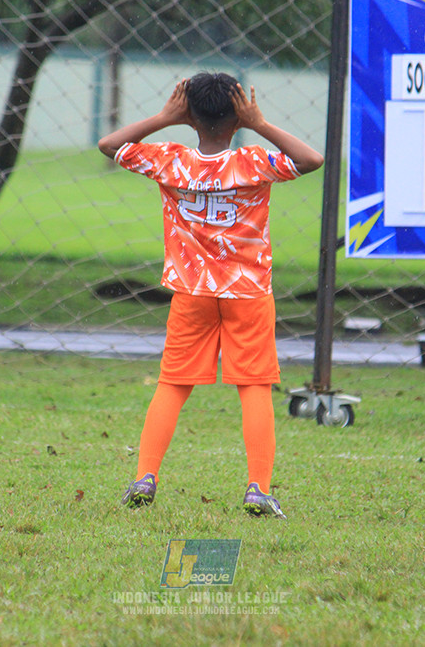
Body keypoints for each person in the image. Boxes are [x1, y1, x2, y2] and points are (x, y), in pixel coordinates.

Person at [97, 72, 324, 517]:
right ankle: (257, 488)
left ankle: (145, 476)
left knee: (173, 383)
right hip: (248, 292)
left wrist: (165, 117)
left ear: (189, 116)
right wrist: (259, 124)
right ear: (237, 117)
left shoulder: (171, 160)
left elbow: (110, 145)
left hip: (192, 291)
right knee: (253, 385)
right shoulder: (253, 162)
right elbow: (311, 159)